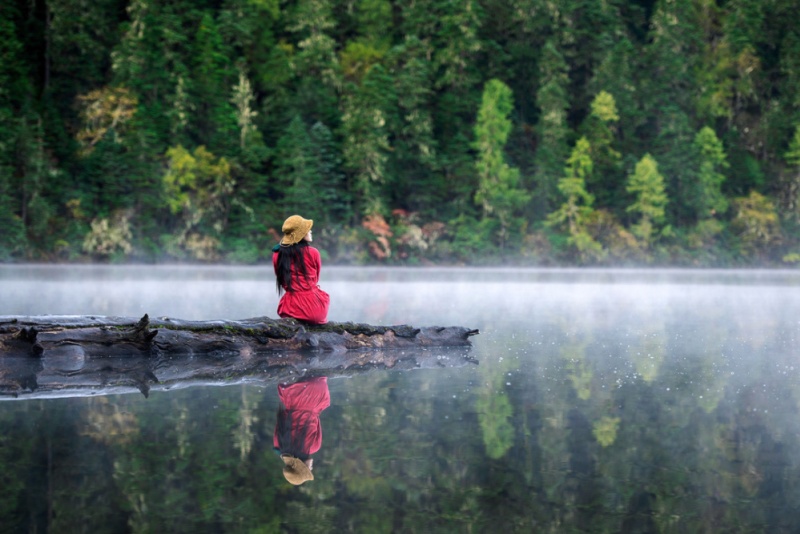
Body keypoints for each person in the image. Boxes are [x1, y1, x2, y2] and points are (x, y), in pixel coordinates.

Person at [273, 376, 331, 485]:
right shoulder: (279, 444)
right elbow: (282, 417)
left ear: (303, 465)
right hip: (290, 392)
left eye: (308, 469)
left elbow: (316, 419)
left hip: (316, 391)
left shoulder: (313, 447)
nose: (311, 468)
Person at [272, 215, 330, 324]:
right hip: (315, 310)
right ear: (301, 235)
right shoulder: (313, 252)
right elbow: (315, 279)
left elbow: (282, 279)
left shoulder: (277, 255)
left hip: (290, 309)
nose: (311, 231)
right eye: (308, 230)